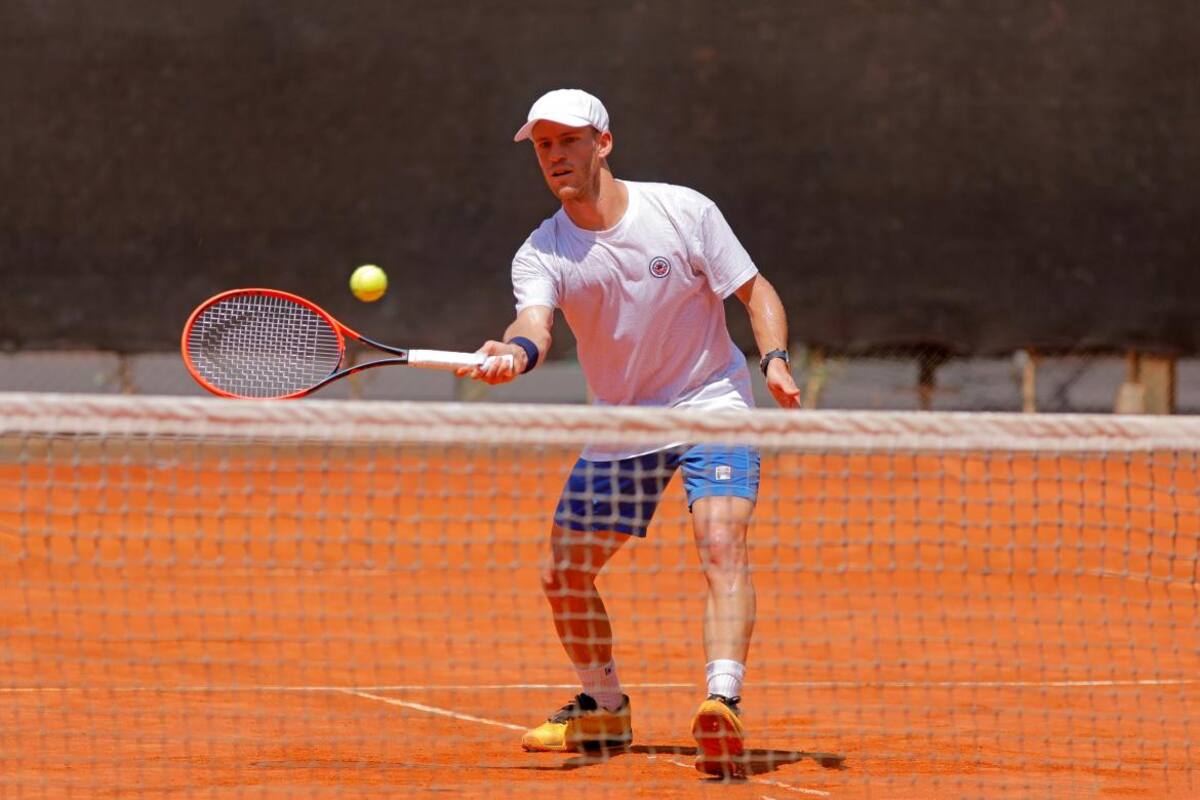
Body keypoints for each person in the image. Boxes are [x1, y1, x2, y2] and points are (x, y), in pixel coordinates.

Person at [459, 88, 801, 777]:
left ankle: (722, 700)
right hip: (624, 421)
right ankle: (606, 706)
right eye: (544, 145)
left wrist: (773, 359)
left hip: (710, 403)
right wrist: (515, 353)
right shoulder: (542, 252)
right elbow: (533, 325)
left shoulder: (683, 211)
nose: (555, 156)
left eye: (568, 141)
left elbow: (755, 291)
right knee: (563, 574)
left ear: (603, 144)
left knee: (722, 542)